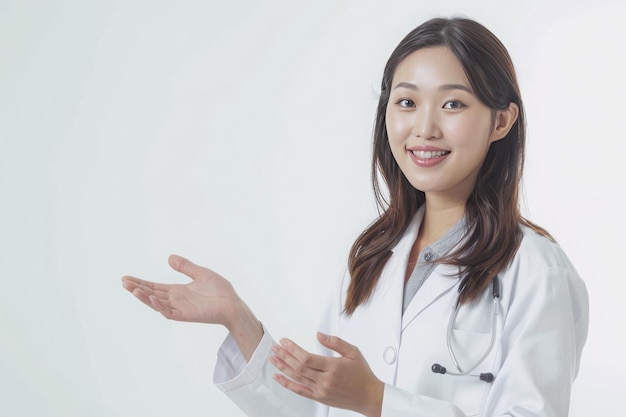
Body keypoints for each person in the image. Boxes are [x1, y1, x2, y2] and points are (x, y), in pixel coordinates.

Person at [122, 17, 589, 417]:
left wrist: (379, 400)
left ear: (502, 122)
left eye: (453, 104)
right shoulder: (372, 256)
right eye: (407, 102)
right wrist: (237, 319)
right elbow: (321, 409)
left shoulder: (535, 271)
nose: (424, 128)